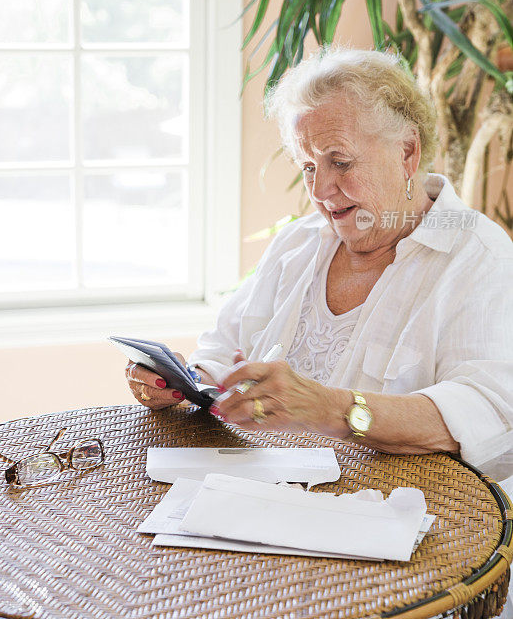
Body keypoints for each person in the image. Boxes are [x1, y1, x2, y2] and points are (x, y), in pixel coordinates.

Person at [125, 47, 513, 483]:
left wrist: (331, 409)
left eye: (340, 162)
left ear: (407, 152)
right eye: (309, 166)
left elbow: (489, 414)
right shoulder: (301, 241)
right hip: (262, 499)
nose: (322, 189)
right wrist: (183, 384)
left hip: (398, 515)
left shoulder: (478, 255)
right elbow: (220, 351)